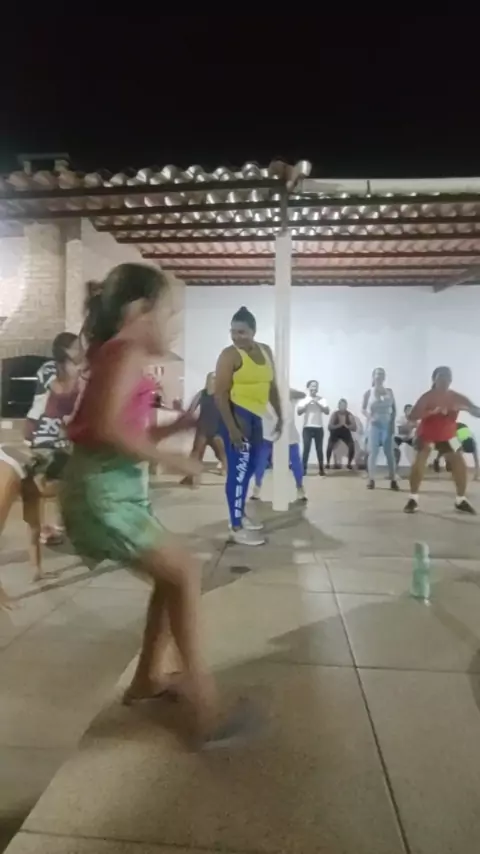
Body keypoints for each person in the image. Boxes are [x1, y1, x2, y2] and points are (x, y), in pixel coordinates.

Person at [61, 263, 234, 745]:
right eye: (168, 313)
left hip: (109, 488)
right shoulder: (126, 351)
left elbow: (117, 429)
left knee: (171, 574)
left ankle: (146, 680)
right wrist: (172, 458)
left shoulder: (118, 354)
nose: (173, 326)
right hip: (103, 493)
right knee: (186, 573)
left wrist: (175, 428)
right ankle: (205, 706)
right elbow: (107, 430)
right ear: (139, 311)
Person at [0, 333, 81, 607]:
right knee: (41, 496)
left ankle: (38, 565)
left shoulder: (77, 375)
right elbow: (60, 393)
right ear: (64, 350)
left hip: (58, 441)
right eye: (76, 347)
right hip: (39, 439)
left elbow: (70, 412)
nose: (81, 350)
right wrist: (80, 377)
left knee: (38, 509)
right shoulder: (49, 369)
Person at [215, 306, 282, 546]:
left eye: (241, 332)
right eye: (233, 331)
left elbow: (271, 386)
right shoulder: (229, 355)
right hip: (237, 419)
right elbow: (220, 394)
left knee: (252, 468)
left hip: (258, 418)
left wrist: (280, 415)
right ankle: (235, 527)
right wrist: (232, 429)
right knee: (238, 472)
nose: (236, 337)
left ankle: (240, 514)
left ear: (253, 331)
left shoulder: (265, 351)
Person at [404, 366, 480, 514]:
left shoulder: (456, 397)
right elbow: (412, 416)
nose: (445, 380)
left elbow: (475, 410)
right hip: (426, 435)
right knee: (420, 460)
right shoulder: (427, 397)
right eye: (441, 376)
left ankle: (460, 500)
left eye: (448, 377)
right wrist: (431, 412)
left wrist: (467, 408)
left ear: (451, 380)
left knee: (459, 461)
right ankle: (413, 499)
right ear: (434, 379)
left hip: (449, 436)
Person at [251, 390, 307, 503]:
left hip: (289, 436)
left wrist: (285, 390)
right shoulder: (264, 399)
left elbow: (302, 395)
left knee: (296, 463)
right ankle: (257, 487)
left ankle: (300, 487)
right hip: (268, 436)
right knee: (260, 463)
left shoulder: (289, 398)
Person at [181, 372, 227, 487]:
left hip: (216, 430)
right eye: (213, 378)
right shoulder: (202, 394)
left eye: (216, 378)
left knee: (222, 455)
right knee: (196, 455)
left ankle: (228, 475)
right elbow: (191, 410)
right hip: (203, 429)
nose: (214, 381)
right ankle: (193, 479)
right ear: (208, 380)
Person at [362, 367, 399, 490]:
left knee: (390, 453)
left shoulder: (389, 392)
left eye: (381, 374)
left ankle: (393, 479)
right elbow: (363, 409)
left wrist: (392, 424)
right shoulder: (369, 392)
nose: (379, 376)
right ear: (373, 376)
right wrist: (370, 417)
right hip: (374, 425)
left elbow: (394, 410)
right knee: (373, 452)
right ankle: (371, 479)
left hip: (386, 425)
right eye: (377, 374)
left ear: (384, 377)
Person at [299, 380, 329, 476]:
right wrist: (308, 403)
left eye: (316, 386)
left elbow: (327, 411)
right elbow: (299, 412)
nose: (314, 388)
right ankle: (303, 469)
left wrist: (317, 403)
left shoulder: (322, 399)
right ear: (308, 388)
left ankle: (321, 470)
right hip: (307, 428)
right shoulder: (304, 399)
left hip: (318, 428)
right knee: (306, 449)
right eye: (312, 386)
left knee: (319, 449)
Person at [326, 399, 356, 469]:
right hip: (335, 432)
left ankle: (349, 464)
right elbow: (329, 427)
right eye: (341, 405)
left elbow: (354, 428)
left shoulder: (349, 415)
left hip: (345, 432)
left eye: (344, 405)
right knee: (329, 446)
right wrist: (339, 425)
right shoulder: (335, 414)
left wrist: (347, 426)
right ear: (338, 406)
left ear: (346, 406)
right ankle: (327, 463)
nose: (343, 407)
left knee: (352, 445)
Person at [394, 404, 416, 471]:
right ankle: (394, 467)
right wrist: (410, 425)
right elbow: (401, 431)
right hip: (399, 437)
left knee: (419, 447)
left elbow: (418, 428)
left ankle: (416, 466)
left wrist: (413, 425)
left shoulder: (415, 419)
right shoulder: (400, 418)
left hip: (410, 437)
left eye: (411, 410)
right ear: (405, 411)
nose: (410, 412)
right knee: (394, 449)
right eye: (408, 410)